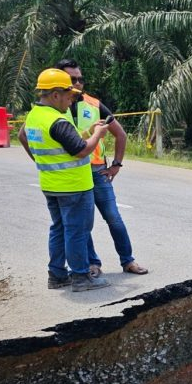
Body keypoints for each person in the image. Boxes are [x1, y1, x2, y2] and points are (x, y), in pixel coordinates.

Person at [18, 69, 111, 292]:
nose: (71, 101)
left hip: (52, 185)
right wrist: (98, 135)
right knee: (77, 231)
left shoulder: (34, 116)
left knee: (59, 229)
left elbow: (60, 145)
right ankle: (80, 277)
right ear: (55, 94)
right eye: (69, 96)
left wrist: (89, 131)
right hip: (74, 187)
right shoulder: (56, 120)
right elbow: (80, 151)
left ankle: (57, 275)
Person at [55, 58, 148, 276]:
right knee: (82, 224)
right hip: (73, 174)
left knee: (114, 218)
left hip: (97, 172)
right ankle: (92, 263)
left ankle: (128, 261)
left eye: (80, 79)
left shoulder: (94, 104)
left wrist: (116, 165)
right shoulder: (55, 109)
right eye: (72, 79)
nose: (78, 83)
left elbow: (120, 134)